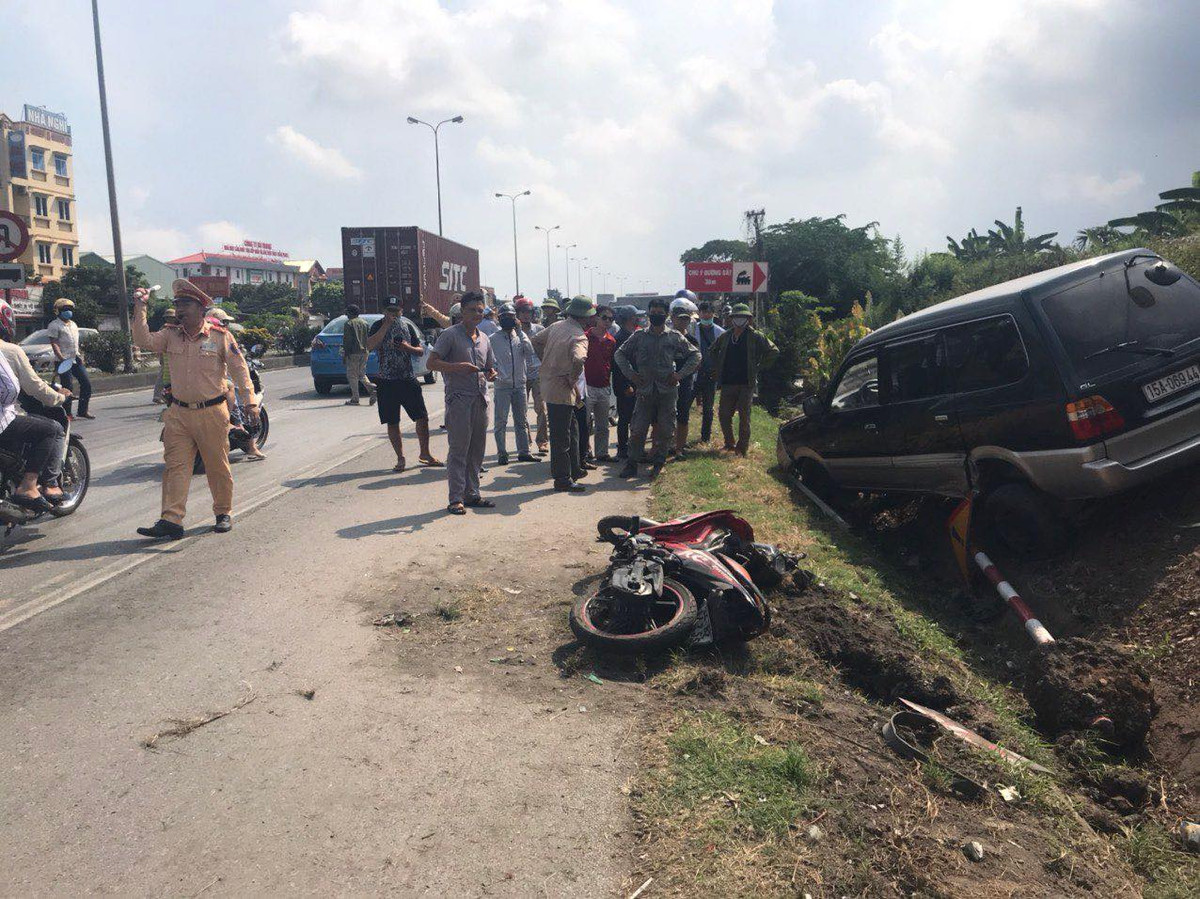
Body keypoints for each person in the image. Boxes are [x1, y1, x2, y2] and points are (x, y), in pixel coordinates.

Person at [132, 279, 257, 538]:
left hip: (212, 412)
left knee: (217, 465)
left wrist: (250, 402)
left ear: (201, 308)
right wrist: (140, 307)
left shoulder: (220, 336)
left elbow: (239, 369)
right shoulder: (169, 335)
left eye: (185, 304)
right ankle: (172, 520)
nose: (179, 309)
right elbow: (143, 340)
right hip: (178, 413)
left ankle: (223, 512)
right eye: (177, 304)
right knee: (175, 467)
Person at [0, 298, 73, 512]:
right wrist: (59, 398)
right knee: (52, 429)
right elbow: (31, 386)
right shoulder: (10, 350)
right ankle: (34, 485)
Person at [427, 292, 497, 515]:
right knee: (459, 450)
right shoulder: (450, 335)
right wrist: (458, 367)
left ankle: (472, 494)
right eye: (472, 310)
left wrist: (492, 373)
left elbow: (490, 365)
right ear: (462, 312)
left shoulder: (484, 338)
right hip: (458, 400)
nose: (477, 314)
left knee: (477, 450)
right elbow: (431, 363)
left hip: (480, 400)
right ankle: (455, 498)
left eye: (480, 310)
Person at [615, 297, 700, 478]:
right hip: (645, 391)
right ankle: (632, 463)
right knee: (638, 429)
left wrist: (679, 375)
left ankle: (659, 463)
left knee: (665, 429)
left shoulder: (675, 336)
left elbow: (695, 356)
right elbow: (620, 354)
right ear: (649, 314)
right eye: (653, 313)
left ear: (666, 315)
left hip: (667, 391)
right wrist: (631, 375)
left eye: (660, 314)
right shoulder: (638, 336)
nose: (656, 316)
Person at [366, 296, 441, 473]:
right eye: (389, 311)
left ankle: (425, 453)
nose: (393, 314)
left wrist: (407, 347)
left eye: (396, 311)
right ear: (384, 311)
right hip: (386, 381)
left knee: (422, 417)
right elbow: (369, 345)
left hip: (408, 378)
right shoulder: (377, 325)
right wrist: (385, 326)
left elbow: (420, 351)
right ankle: (400, 458)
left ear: (401, 311)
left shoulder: (407, 326)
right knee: (392, 421)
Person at [531, 295, 594, 493]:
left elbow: (536, 340)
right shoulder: (579, 335)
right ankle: (562, 478)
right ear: (585, 317)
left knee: (572, 428)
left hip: (550, 383)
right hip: (563, 388)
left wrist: (547, 361)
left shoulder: (557, 326)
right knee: (561, 436)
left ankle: (573, 468)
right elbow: (579, 358)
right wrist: (573, 377)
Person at [709, 302, 779, 456]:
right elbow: (712, 350)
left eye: (743, 317)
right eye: (736, 317)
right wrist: (718, 366)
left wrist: (759, 367)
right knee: (724, 414)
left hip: (746, 383)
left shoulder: (755, 336)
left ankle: (742, 448)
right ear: (731, 319)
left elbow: (773, 351)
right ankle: (729, 442)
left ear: (749, 319)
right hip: (728, 382)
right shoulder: (726, 336)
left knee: (744, 416)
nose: (739, 320)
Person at [489, 302, 537, 465]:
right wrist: (497, 374)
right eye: (504, 317)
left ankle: (524, 452)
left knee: (521, 420)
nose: (508, 320)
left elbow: (529, 352)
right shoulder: (493, 339)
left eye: (511, 317)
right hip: (502, 386)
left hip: (520, 385)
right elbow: (489, 360)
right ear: (499, 319)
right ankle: (502, 453)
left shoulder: (519, 337)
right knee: (500, 421)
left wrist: (520, 332)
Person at [47, 298, 94, 420]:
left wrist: (80, 355)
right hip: (63, 360)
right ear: (58, 311)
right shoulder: (54, 325)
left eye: (70, 309)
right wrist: (61, 358)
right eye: (65, 309)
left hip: (75, 359)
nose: (68, 311)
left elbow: (75, 342)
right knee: (67, 387)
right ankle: (67, 413)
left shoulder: (73, 324)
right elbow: (54, 343)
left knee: (86, 384)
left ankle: (83, 410)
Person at [514, 296, 548, 455]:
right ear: (517, 313)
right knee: (521, 412)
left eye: (528, 311)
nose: (526, 314)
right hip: (520, 376)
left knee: (541, 409)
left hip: (538, 374)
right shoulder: (513, 332)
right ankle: (525, 443)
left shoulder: (540, 329)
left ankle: (542, 441)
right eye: (522, 311)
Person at [669, 296, 700, 460]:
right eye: (679, 318)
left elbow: (697, 362)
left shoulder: (692, 340)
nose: (682, 322)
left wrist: (680, 375)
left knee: (683, 416)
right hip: (665, 383)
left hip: (685, 383)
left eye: (686, 319)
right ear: (672, 318)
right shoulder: (665, 337)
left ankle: (679, 449)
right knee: (663, 416)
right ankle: (665, 446)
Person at [584, 305, 617, 462]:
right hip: (587, 386)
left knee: (603, 425)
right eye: (604, 317)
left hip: (604, 387)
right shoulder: (585, 337)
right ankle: (584, 452)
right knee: (585, 423)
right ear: (596, 317)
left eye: (611, 319)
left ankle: (602, 453)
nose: (607, 321)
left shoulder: (611, 341)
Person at [691, 299, 725, 443]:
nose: (706, 315)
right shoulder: (692, 330)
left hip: (710, 375)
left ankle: (705, 438)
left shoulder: (720, 333)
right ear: (699, 313)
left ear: (713, 314)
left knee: (708, 408)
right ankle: (678, 437)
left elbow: (723, 355)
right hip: (693, 375)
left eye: (709, 312)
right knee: (685, 404)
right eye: (703, 312)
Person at [610, 306, 639, 460]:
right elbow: (618, 365)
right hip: (626, 385)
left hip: (633, 383)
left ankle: (629, 447)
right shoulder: (622, 337)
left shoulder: (630, 335)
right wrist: (625, 385)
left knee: (631, 417)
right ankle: (622, 448)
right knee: (625, 418)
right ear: (629, 318)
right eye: (635, 316)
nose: (638, 319)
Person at [341, 303, 376, 406]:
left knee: (352, 375)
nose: (346, 314)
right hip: (365, 352)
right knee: (361, 374)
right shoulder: (365, 323)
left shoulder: (348, 324)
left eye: (347, 312)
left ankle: (355, 399)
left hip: (353, 352)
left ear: (351, 313)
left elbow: (347, 341)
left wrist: (345, 355)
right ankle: (371, 388)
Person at [152, 308, 177, 405]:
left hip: (170, 354)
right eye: (170, 318)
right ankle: (159, 395)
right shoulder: (165, 329)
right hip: (167, 354)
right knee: (164, 375)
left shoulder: (172, 327)